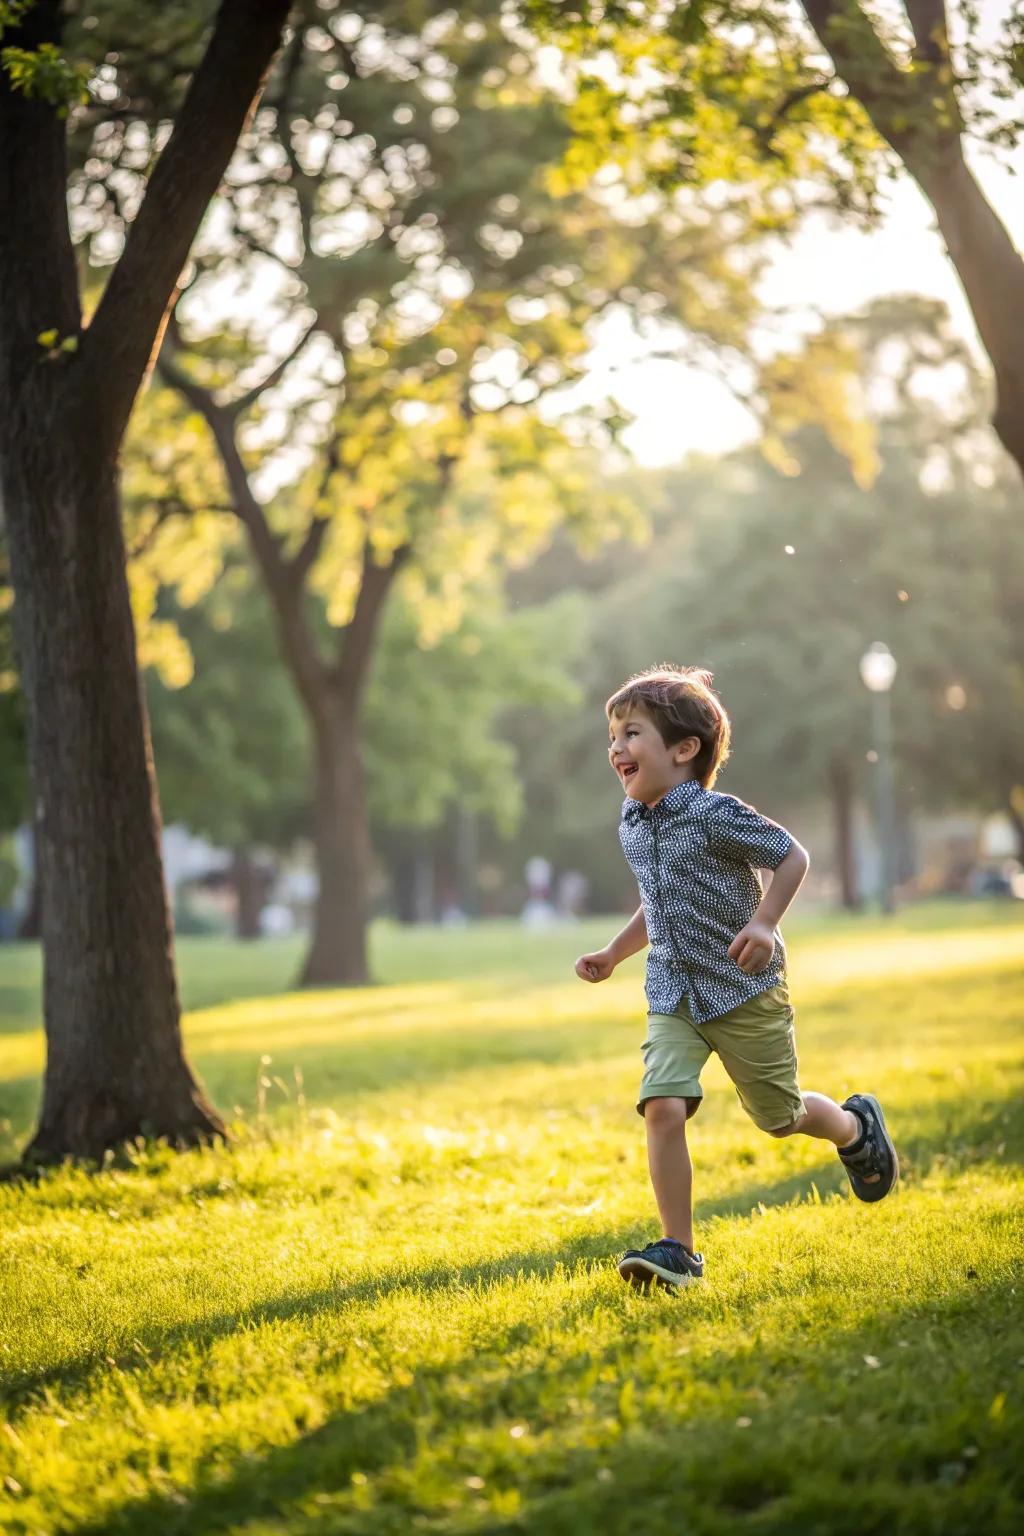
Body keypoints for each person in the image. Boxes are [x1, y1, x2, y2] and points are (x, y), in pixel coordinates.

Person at [575, 665, 898, 1290]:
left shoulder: (715, 814)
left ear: (683, 749)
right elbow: (658, 902)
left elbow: (792, 856)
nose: (616, 748)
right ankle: (679, 1250)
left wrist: (765, 923)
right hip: (673, 994)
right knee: (661, 1107)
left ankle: (855, 1128)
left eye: (631, 733)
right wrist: (615, 953)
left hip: (744, 991)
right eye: (612, 736)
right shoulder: (633, 822)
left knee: (780, 1118)